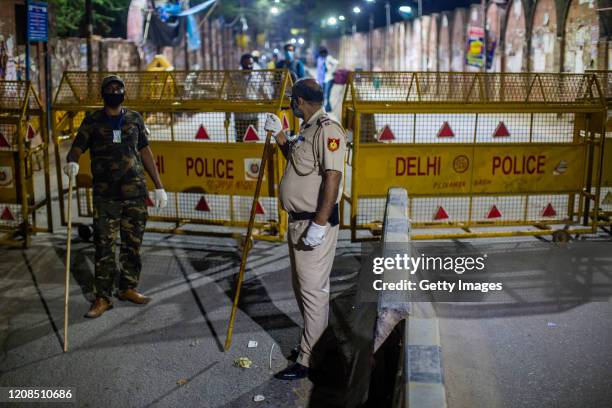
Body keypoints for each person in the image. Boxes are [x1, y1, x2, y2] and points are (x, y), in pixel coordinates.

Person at [63, 75, 167, 318]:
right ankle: (102, 297)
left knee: (133, 245)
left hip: (135, 194)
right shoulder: (92, 121)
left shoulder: (134, 118)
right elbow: (77, 147)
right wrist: (72, 162)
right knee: (104, 247)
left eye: (118, 88)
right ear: (103, 93)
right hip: (106, 196)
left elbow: (145, 150)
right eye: (110, 88)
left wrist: (159, 186)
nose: (115, 91)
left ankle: (128, 287)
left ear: (123, 93)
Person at [264, 79, 347, 380]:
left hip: (313, 222)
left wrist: (319, 224)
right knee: (303, 289)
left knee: (313, 291)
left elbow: (332, 179)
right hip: (300, 221)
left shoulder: (327, 129)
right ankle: (310, 347)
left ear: (299, 102)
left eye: (291, 101)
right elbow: (301, 166)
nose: (289, 105)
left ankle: (310, 359)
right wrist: (280, 136)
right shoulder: (309, 129)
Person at [315, 47, 338, 112]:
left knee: (327, 94)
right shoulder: (320, 59)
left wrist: (331, 70)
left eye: (323, 53)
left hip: (329, 79)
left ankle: (328, 108)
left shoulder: (328, 58)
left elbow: (336, 62)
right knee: (323, 94)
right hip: (323, 80)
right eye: (321, 54)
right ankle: (325, 108)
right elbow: (318, 70)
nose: (322, 55)